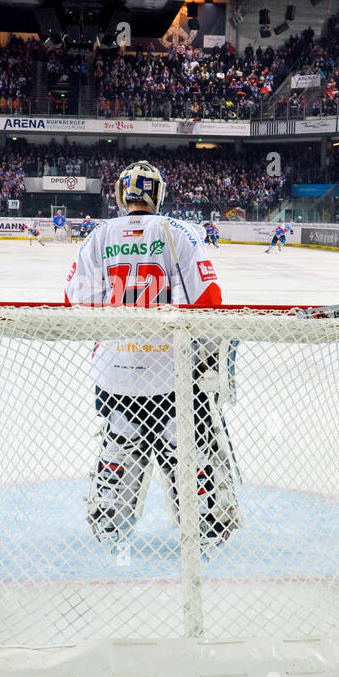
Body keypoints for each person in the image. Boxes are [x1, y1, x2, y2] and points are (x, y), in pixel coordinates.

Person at [64, 159, 240, 549]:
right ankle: (205, 532)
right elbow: (209, 302)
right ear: (158, 194)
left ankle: (111, 527)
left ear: (122, 193)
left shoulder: (99, 235)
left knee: (120, 447)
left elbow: (78, 304)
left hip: (116, 373)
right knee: (187, 454)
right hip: (172, 375)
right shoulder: (181, 232)